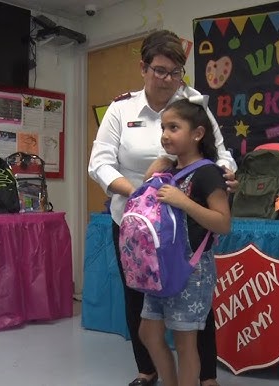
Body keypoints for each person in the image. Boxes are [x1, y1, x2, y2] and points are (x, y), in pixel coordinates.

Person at [88, 30, 236, 386]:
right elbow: (100, 163)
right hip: (136, 224)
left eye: (176, 72)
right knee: (138, 300)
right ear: (143, 67)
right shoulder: (121, 109)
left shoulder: (193, 106)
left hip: (185, 228)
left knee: (194, 307)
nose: (169, 79)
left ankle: (205, 377)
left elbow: (220, 152)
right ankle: (148, 370)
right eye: (160, 70)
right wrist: (141, 191)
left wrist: (225, 174)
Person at [139, 97, 231, 386]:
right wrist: (153, 170)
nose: (165, 134)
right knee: (148, 333)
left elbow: (223, 223)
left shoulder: (207, 173)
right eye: (163, 127)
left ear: (197, 134)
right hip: (161, 266)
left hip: (192, 271)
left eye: (174, 127)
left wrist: (184, 202)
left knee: (185, 342)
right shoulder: (169, 170)